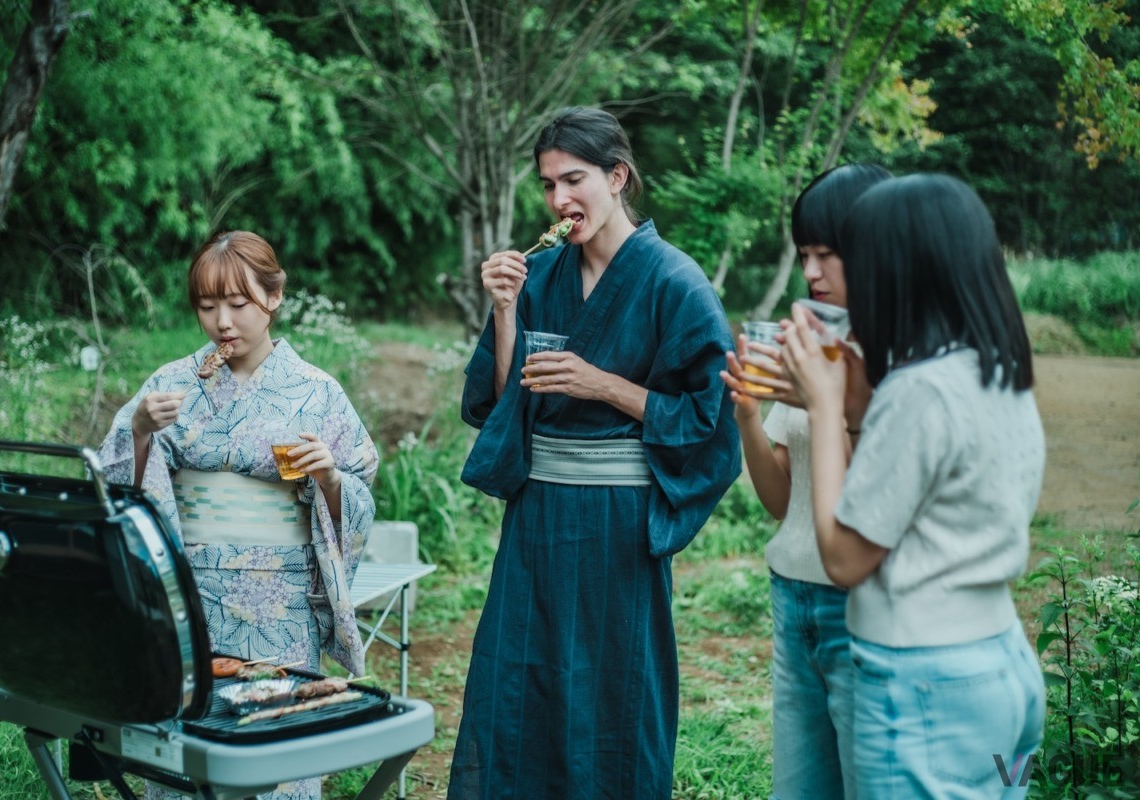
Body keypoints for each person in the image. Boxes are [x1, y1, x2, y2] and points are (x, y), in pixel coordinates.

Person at [448, 106, 741, 800]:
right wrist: (506, 310)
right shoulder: (542, 275)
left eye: (573, 180)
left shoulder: (676, 282)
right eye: (548, 185)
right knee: (515, 683)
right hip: (538, 517)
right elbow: (500, 406)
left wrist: (607, 386)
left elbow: (711, 417)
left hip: (618, 523)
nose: (558, 201)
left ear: (618, 176)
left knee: (616, 686)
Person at [779, 174, 1047, 799]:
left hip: (923, 687)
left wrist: (822, 408)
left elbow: (845, 558)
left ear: (897, 269)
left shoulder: (919, 391)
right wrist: (851, 403)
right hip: (1003, 674)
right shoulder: (999, 372)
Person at [98, 230, 378, 800]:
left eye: (238, 303)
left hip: (281, 602)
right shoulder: (170, 384)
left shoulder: (317, 392)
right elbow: (111, 486)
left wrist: (328, 477)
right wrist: (140, 431)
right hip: (188, 595)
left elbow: (361, 485)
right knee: (187, 749)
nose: (222, 321)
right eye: (207, 306)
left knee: (277, 754)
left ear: (274, 298)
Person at [721, 163, 891, 800]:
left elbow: (871, 501)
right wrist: (744, 412)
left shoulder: (902, 362)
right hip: (793, 597)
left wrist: (839, 411)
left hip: (858, 606)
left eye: (827, 254)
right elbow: (780, 501)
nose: (812, 273)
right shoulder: (814, 343)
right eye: (804, 255)